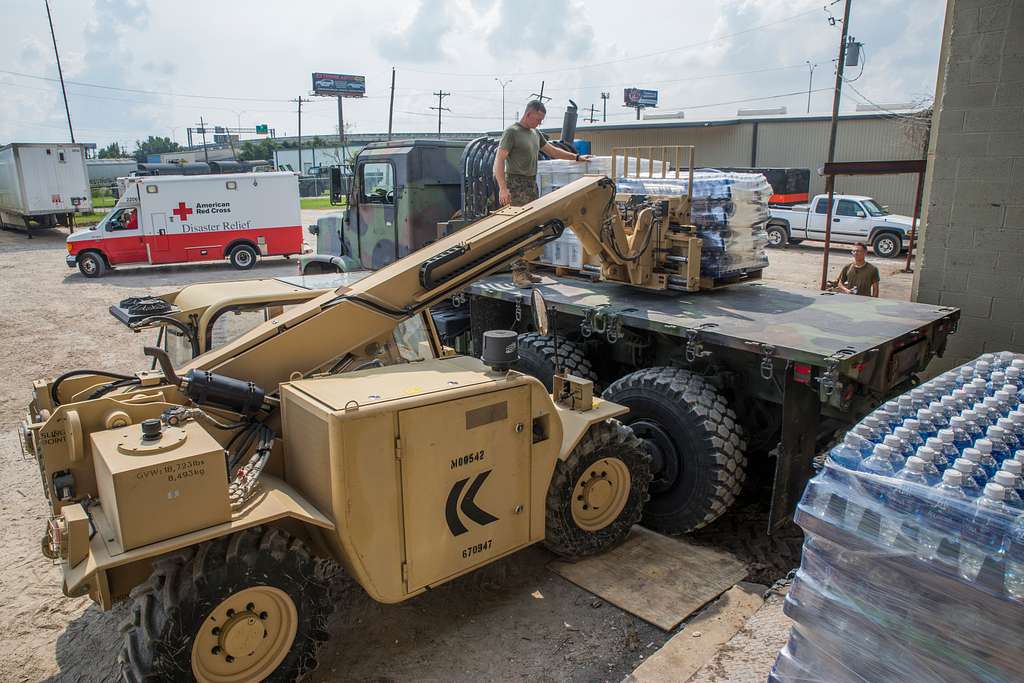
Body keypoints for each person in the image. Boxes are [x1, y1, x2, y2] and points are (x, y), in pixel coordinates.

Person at [493, 100, 591, 285]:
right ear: (528, 114)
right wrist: (503, 188)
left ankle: (526, 269)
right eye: (538, 119)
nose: (539, 123)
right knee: (518, 230)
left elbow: (553, 151)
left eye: (541, 120)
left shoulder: (535, 134)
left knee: (531, 229)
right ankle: (518, 274)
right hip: (515, 185)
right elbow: (499, 161)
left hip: (531, 185)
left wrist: (577, 157)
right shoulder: (512, 132)